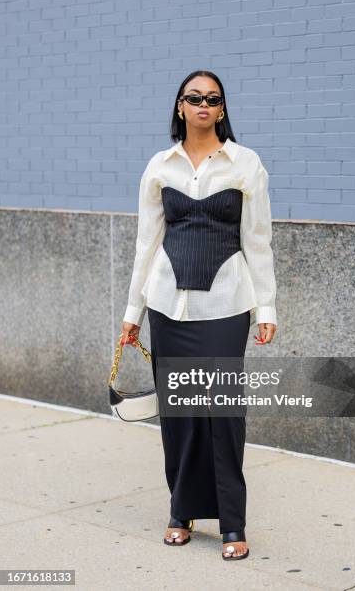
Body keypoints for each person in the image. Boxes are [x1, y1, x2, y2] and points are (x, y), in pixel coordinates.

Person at [121, 70, 277, 561]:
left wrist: (265, 307)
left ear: (223, 108)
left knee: (223, 413)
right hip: (168, 305)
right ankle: (181, 510)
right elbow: (147, 243)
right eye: (195, 98)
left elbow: (258, 240)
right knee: (180, 414)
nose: (204, 105)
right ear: (181, 107)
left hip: (227, 305)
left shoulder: (246, 164)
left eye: (213, 98)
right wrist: (133, 313)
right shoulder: (159, 166)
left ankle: (232, 522)